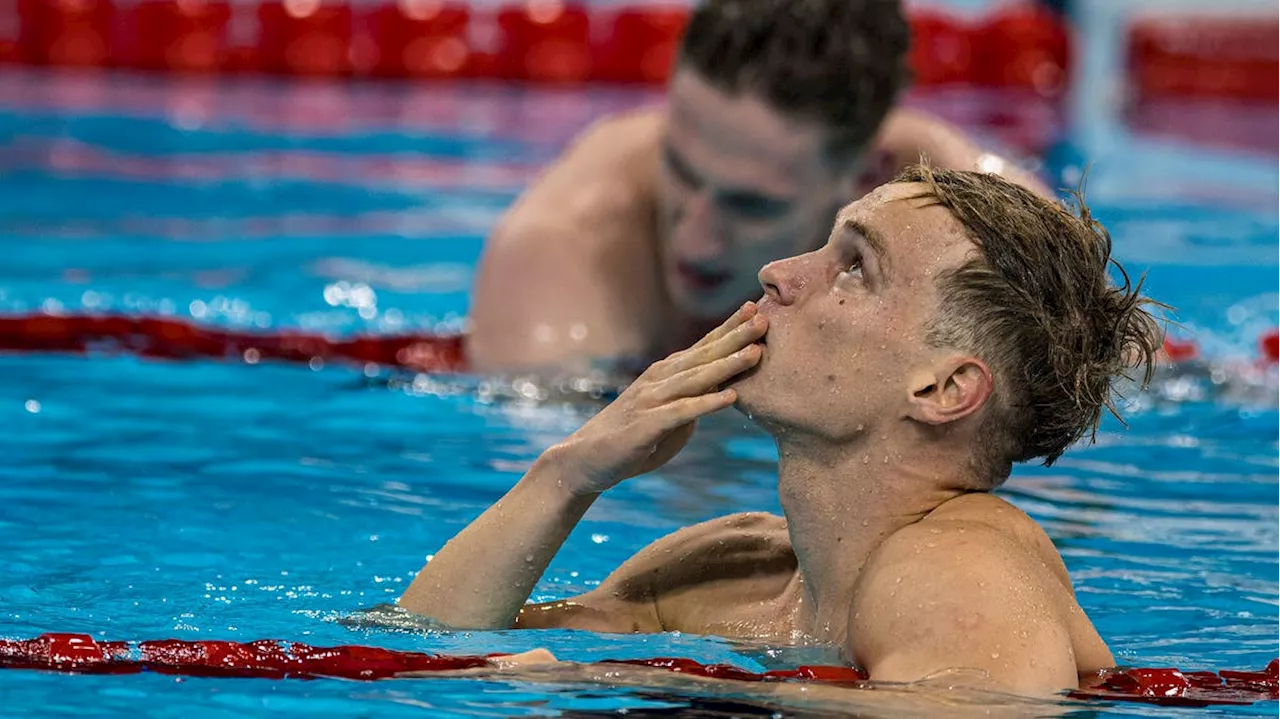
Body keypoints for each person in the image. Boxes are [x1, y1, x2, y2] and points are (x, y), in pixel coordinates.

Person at [395, 166, 1165, 698]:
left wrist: (628, 683)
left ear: (943, 389)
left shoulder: (961, 562)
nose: (777, 272)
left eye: (854, 266)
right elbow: (423, 644)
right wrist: (568, 475)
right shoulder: (728, 568)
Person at [466, 0, 1050, 375]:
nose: (694, 241)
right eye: (680, 169)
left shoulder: (982, 224)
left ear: (866, 175)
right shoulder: (561, 254)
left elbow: (1112, 383)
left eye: (751, 205)